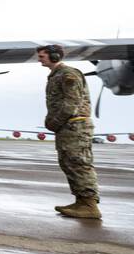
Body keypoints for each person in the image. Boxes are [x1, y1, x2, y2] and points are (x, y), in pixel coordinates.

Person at [36, 44, 101, 219]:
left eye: (42, 56)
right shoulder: (57, 75)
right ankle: (81, 201)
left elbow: (72, 102)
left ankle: (89, 205)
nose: (39, 59)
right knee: (68, 163)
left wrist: (54, 122)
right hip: (68, 126)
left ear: (54, 56)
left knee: (79, 163)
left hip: (75, 125)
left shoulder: (68, 74)